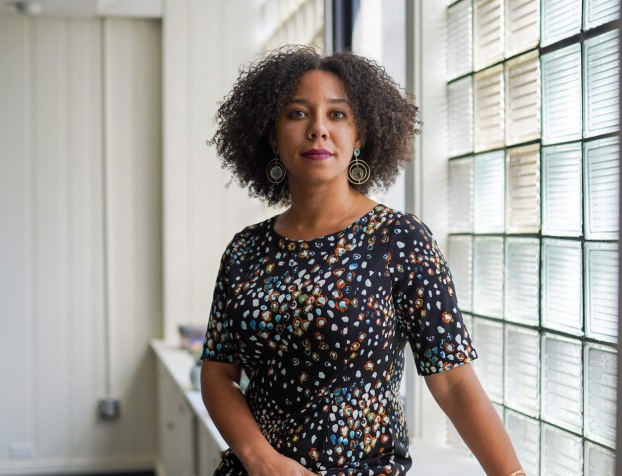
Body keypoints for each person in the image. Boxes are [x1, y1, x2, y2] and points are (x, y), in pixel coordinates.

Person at [199, 46, 524, 476]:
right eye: (297, 114)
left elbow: (453, 380)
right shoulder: (244, 251)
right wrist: (263, 461)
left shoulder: (399, 239)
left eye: (337, 115)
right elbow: (218, 373)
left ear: (361, 136)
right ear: (272, 136)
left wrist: (513, 475)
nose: (318, 129)